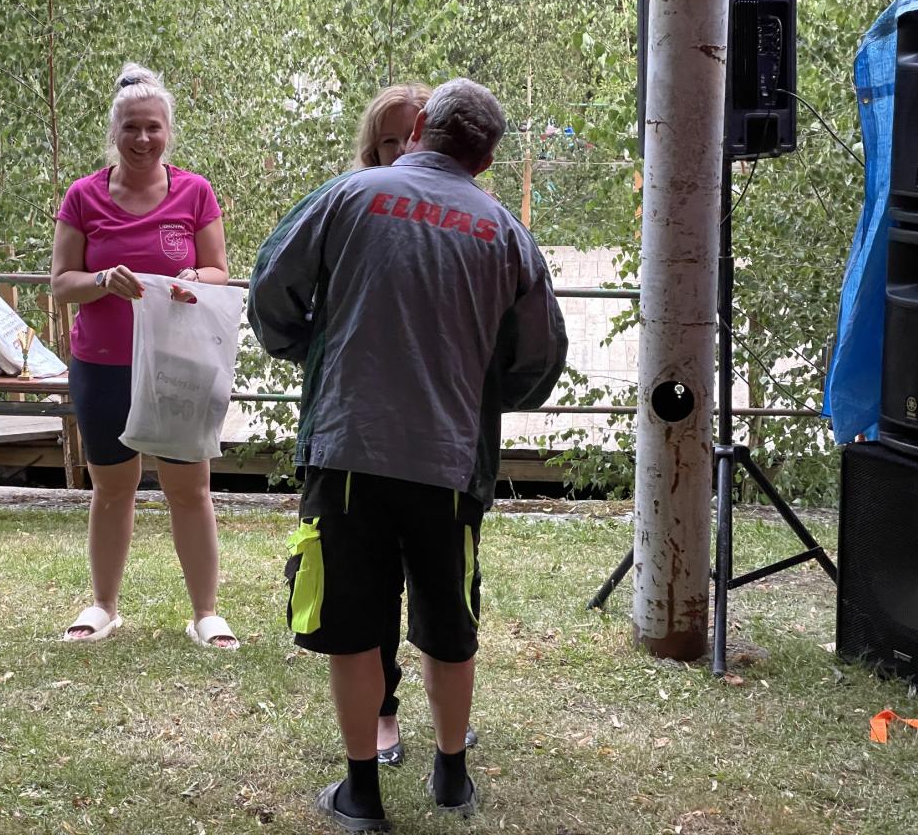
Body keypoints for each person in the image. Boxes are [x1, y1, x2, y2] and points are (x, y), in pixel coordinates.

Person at [248, 78, 567, 831]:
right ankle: (452, 775)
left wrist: (311, 350)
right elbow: (540, 359)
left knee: (353, 623)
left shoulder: (347, 197)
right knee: (449, 618)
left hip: (348, 450)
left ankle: (361, 792)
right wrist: (479, 392)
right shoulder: (507, 235)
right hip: (450, 464)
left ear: (420, 125)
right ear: (486, 161)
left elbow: (270, 287)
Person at [51, 62, 238, 650]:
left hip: (178, 363)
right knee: (112, 487)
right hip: (103, 364)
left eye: (153, 127)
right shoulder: (83, 196)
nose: (142, 138)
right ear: (115, 131)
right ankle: (103, 606)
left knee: (190, 488)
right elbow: (61, 282)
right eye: (131, 127)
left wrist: (193, 280)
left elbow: (219, 271)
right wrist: (102, 279)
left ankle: (205, 614)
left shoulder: (195, 192)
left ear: (168, 132)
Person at [350, 82, 478, 768]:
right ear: (373, 151)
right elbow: (288, 309)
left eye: (414, 138)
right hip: (364, 440)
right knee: (367, 594)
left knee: (446, 592)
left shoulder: (478, 221)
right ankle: (381, 714)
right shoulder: (349, 208)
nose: (404, 152)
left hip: (447, 444)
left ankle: (449, 723)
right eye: (390, 141)